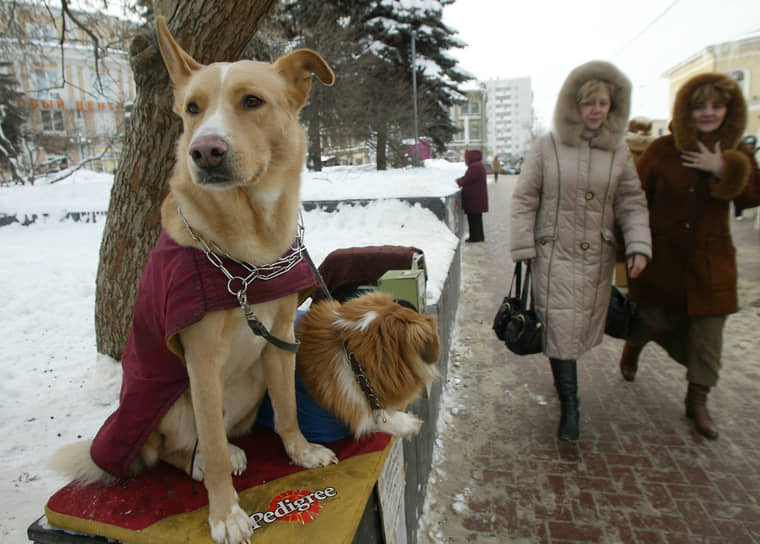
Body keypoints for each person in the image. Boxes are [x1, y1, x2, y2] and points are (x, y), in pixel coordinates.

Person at [510, 60, 652, 441]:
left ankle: (568, 387)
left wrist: (639, 245)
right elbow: (525, 198)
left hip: (596, 259)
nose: (595, 110)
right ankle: (570, 405)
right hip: (553, 255)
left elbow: (632, 203)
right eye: (588, 102)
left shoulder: (619, 153)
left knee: (577, 325)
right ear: (574, 104)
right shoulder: (547, 146)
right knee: (559, 326)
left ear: (612, 107)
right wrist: (524, 243)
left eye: (602, 103)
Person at [619, 73, 760, 440]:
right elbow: (633, 199)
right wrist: (628, 248)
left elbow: (752, 196)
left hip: (711, 265)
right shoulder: (663, 150)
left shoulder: (737, 151)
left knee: (709, 334)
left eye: (717, 106)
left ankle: (697, 400)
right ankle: (633, 347)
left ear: (729, 109)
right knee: (648, 321)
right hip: (661, 261)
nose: (709, 113)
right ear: (686, 110)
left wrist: (723, 169)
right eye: (700, 106)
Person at [457, 149, 488, 242]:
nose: (466, 160)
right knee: (477, 219)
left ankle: (475, 237)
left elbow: (468, 179)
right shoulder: (478, 165)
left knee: (473, 220)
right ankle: (479, 236)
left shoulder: (475, 166)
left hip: (474, 199)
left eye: (467, 157)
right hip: (477, 198)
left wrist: (457, 181)